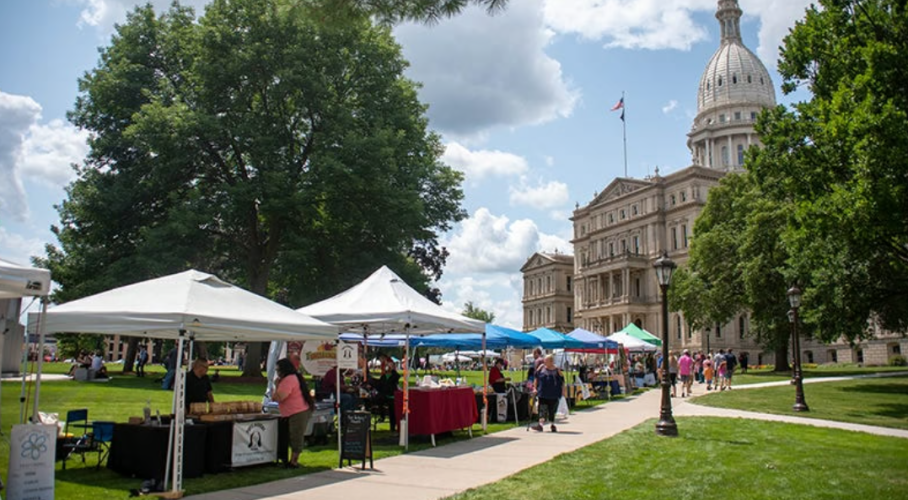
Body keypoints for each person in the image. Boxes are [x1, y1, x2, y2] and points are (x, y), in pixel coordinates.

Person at [272, 358, 314, 469]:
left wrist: (276, 387)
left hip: (297, 411)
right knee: (294, 436)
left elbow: (280, 397)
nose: (277, 372)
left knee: (296, 436)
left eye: (278, 370)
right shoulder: (294, 377)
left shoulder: (289, 380)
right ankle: (291, 460)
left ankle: (293, 462)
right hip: (296, 411)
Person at [531, 354, 565, 432]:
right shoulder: (541, 368)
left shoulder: (557, 370)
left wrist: (563, 391)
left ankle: (552, 425)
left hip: (554, 394)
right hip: (542, 393)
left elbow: (562, 381)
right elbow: (536, 378)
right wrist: (535, 388)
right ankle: (540, 425)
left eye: (546, 361)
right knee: (542, 409)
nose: (544, 362)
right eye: (544, 361)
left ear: (551, 361)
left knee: (552, 410)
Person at [370, 354, 401, 432]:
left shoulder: (395, 376)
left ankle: (392, 426)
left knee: (392, 409)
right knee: (378, 399)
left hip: (392, 396)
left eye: (389, 365)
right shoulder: (383, 376)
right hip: (383, 396)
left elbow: (397, 380)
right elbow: (379, 386)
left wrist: (392, 370)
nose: (387, 366)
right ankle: (382, 416)